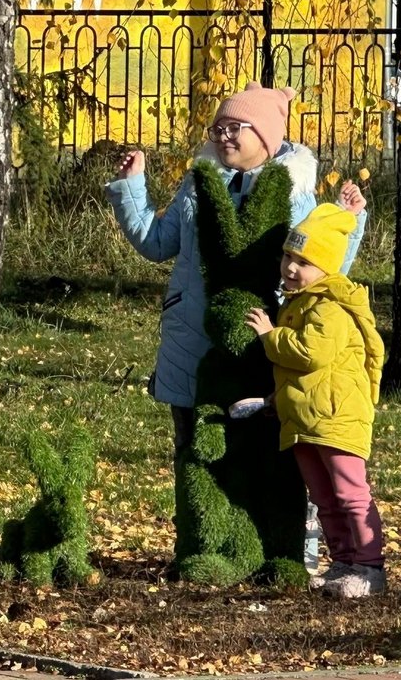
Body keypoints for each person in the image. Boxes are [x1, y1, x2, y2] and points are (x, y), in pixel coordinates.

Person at [106, 82, 367, 464]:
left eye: (234, 129)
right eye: (218, 130)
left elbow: (322, 269)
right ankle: (194, 519)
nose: (223, 138)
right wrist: (132, 187)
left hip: (264, 337)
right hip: (192, 332)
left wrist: (350, 222)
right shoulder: (198, 183)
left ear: (265, 135)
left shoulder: (294, 193)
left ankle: (275, 519)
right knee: (193, 441)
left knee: (262, 448)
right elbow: (156, 242)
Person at [243, 203, 386, 598]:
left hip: (336, 418)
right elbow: (305, 376)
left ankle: (369, 567)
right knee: (324, 497)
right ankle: (343, 561)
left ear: (326, 269)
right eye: (288, 256)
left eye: (303, 261)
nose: (291, 267)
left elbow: (311, 354)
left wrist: (269, 336)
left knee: (349, 493)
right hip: (308, 419)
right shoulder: (300, 302)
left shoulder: (329, 307)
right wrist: (278, 400)